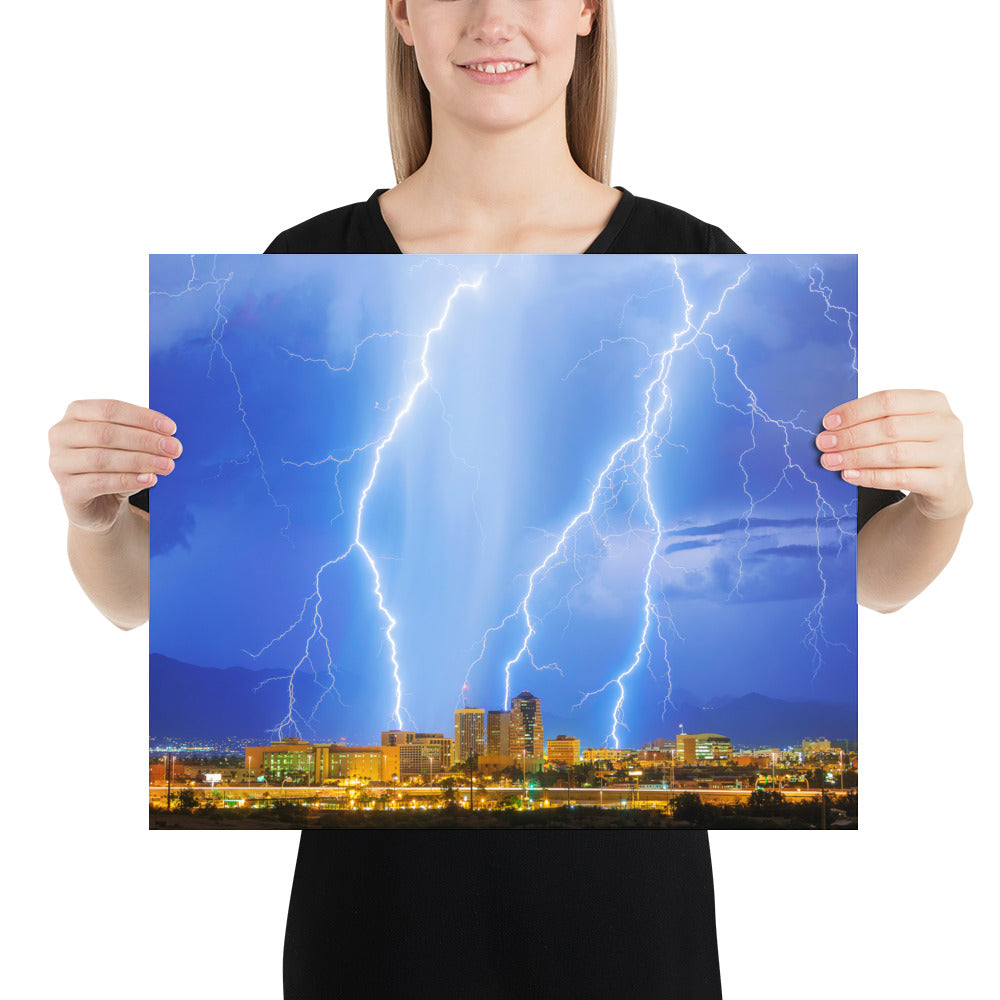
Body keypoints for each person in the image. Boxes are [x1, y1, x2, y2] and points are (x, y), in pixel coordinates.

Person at [47, 1, 972, 997]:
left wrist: (940, 505)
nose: (495, 17)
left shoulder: (700, 264)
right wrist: (92, 518)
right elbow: (133, 596)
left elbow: (867, 579)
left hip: (627, 935)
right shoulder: (303, 271)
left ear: (586, 13)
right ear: (403, 15)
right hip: (373, 931)